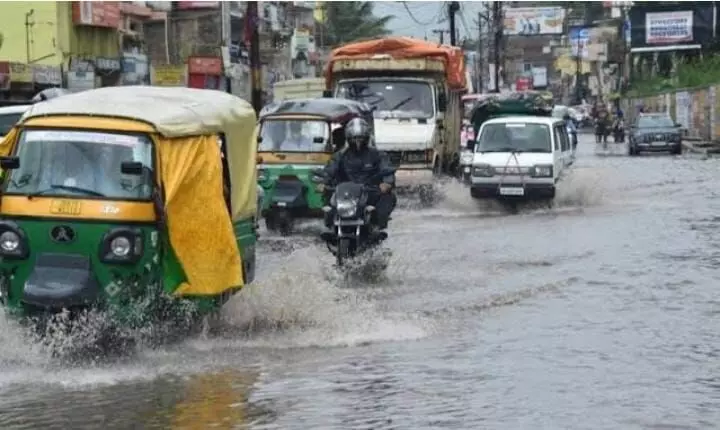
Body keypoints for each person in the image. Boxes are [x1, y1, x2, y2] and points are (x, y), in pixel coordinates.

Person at [319, 117, 396, 231]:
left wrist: (387, 182)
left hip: (369, 192)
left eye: (360, 138)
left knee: (387, 198)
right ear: (348, 138)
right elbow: (330, 169)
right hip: (345, 193)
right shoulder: (341, 155)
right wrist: (323, 182)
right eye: (354, 138)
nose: (358, 142)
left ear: (366, 138)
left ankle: (376, 226)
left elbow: (386, 168)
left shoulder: (376, 154)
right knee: (329, 199)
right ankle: (331, 226)